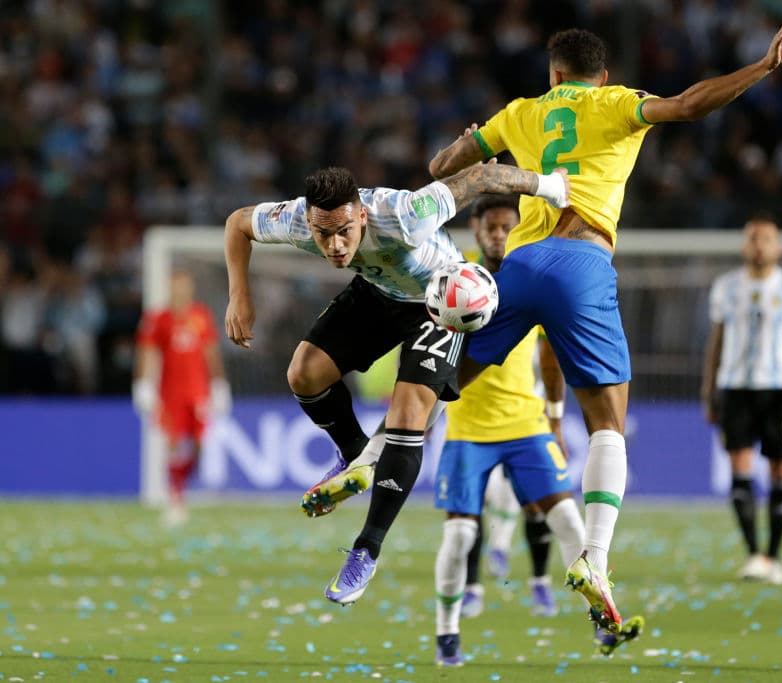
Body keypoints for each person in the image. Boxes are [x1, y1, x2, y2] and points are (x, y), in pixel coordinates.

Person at [427, 17, 782, 630]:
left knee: (446, 380)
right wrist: (762, 68)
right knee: (608, 423)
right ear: (601, 75)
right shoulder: (615, 102)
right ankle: (595, 558)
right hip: (581, 260)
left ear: (552, 75)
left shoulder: (520, 112)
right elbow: (689, 105)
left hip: (517, 266)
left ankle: (372, 456)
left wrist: (470, 141)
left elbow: (444, 168)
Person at [223, 163, 570, 605]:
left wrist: (551, 187)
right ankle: (356, 458)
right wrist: (240, 294)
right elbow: (238, 223)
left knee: (408, 416)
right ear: (309, 220)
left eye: (344, 231)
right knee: (304, 373)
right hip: (377, 292)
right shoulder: (294, 219)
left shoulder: (404, 213)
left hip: (440, 301)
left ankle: (365, 551)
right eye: (322, 233)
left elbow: (480, 179)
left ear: (362, 216)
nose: (333, 245)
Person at [431, 195, 641, 665]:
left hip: (526, 424)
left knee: (568, 520)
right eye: (491, 227)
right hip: (467, 427)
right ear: (477, 229)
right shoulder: (458, 274)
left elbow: (549, 356)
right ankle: (447, 634)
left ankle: (600, 619)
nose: (499, 235)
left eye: (508, 226)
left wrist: (553, 412)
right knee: (461, 536)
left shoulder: (531, 270)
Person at [700, 217, 782, 585]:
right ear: (743, 246)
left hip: (778, 389)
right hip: (735, 387)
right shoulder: (725, 288)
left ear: (778, 248)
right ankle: (754, 555)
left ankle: (774, 556)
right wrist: (709, 391)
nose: (759, 244)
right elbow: (716, 342)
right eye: (753, 238)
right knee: (740, 468)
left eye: (767, 238)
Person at [133, 270, 231, 527]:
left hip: (198, 392)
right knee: (174, 444)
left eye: (184, 287)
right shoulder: (158, 319)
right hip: (170, 394)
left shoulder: (201, 316)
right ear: (169, 289)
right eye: (176, 287)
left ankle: (181, 482)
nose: (180, 292)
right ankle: (176, 500)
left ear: (190, 289)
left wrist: (219, 384)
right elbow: (147, 352)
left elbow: (211, 352)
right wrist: (143, 384)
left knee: (199, 446)